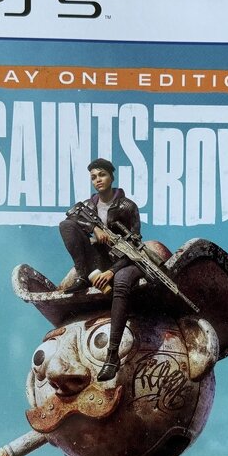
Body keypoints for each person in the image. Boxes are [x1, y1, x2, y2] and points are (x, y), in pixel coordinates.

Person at [58, 158, 143, 381]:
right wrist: (94, 228)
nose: (98, 180)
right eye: (94, 177)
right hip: (99, 260)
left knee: (121, 284)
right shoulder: (88, 206)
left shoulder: (127, 206)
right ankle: (83, 275)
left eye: (102, 175)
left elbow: (134, 246)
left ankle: (112, 355)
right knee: (66, 225)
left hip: (125, 261)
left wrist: (111, 272)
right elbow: (71, 217)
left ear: (112, 177)